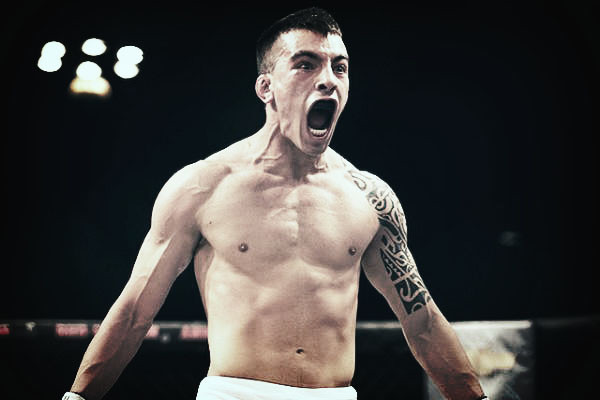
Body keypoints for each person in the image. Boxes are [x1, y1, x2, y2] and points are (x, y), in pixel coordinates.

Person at [63, 7, 487, 400]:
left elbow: (422, 322)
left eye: (339, 67)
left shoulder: (370, 198)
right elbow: (135, 312)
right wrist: (77, 397)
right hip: (235, 393)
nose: (328, 79)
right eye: (306, 64)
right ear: (266, 87)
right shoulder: (202, 186)